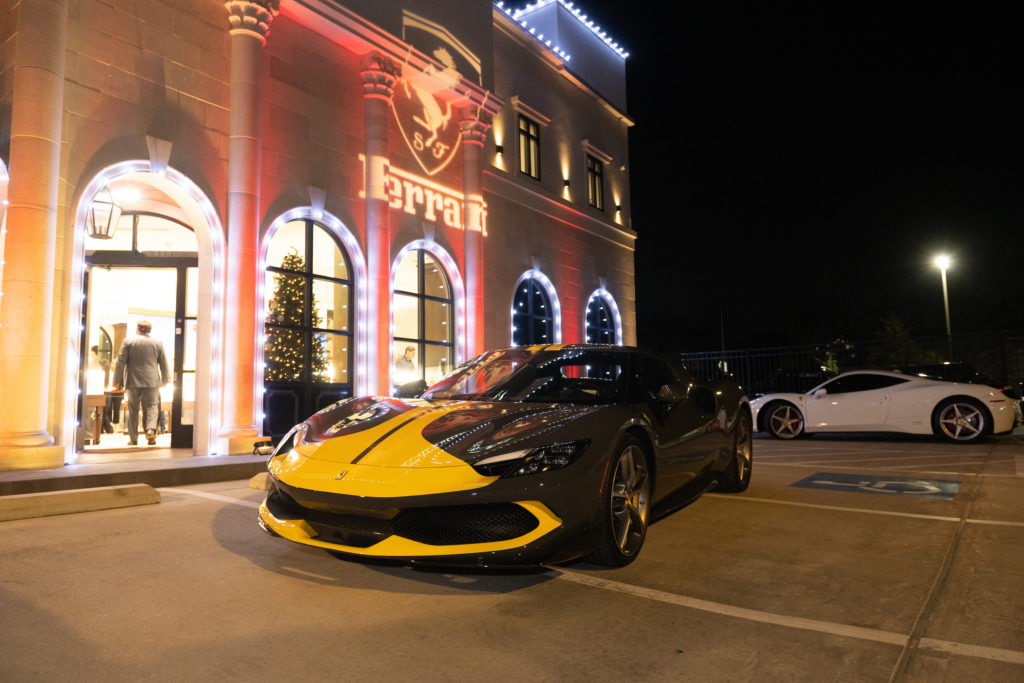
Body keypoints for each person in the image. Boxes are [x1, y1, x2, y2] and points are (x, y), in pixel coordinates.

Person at [112, 320, 170, 445]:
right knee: (152, 406)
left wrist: (116, 381)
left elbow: (120, 361)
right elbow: (164, 363)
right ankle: (150, 430)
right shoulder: (158, 343)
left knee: (133, 409)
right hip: (152, 381)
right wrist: (165, 379)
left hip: (132, 380)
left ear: (137, 328)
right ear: (149, 330)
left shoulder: (128, 341)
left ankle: (133, 439)